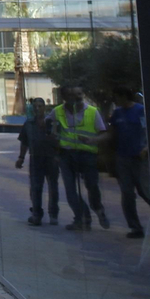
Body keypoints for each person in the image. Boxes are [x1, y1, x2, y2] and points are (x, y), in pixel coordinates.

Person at [54, 86, 109, 231]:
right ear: (65, 97)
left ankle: (98, 208)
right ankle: (82, 218)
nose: (77, 97)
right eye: (72, 94)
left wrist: (92, 141)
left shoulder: (92, 111)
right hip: (66, 155)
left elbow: (104, 133)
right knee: (70, 190)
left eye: (79, 94)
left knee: (92, 186)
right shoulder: (58, 111)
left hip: (87, 155)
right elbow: (47, 125)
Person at [109, 86, 150, 238]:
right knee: (127, 193)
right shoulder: (117, 113)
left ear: (124, 96)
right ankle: (135, 227)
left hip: (139, 158)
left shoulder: (140, 110)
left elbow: (148, 130)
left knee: (145, 191)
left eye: (117, 96)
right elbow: (112, 134)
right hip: (123, 157)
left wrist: (146, 147)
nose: (115, 100)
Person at [15, 97, 61, 226]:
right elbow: (24, 142)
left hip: (51, 158)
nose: (37, 108)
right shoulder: (29, 124)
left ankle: (53, 213)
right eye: (35, 106)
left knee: (53, 187)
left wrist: (58, 155)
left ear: (44, 108)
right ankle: (37, 214)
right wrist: (21, 157)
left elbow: (60, 140)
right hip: (36, 158)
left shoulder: (53, 123)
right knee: (35, 187)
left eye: (40, 106)